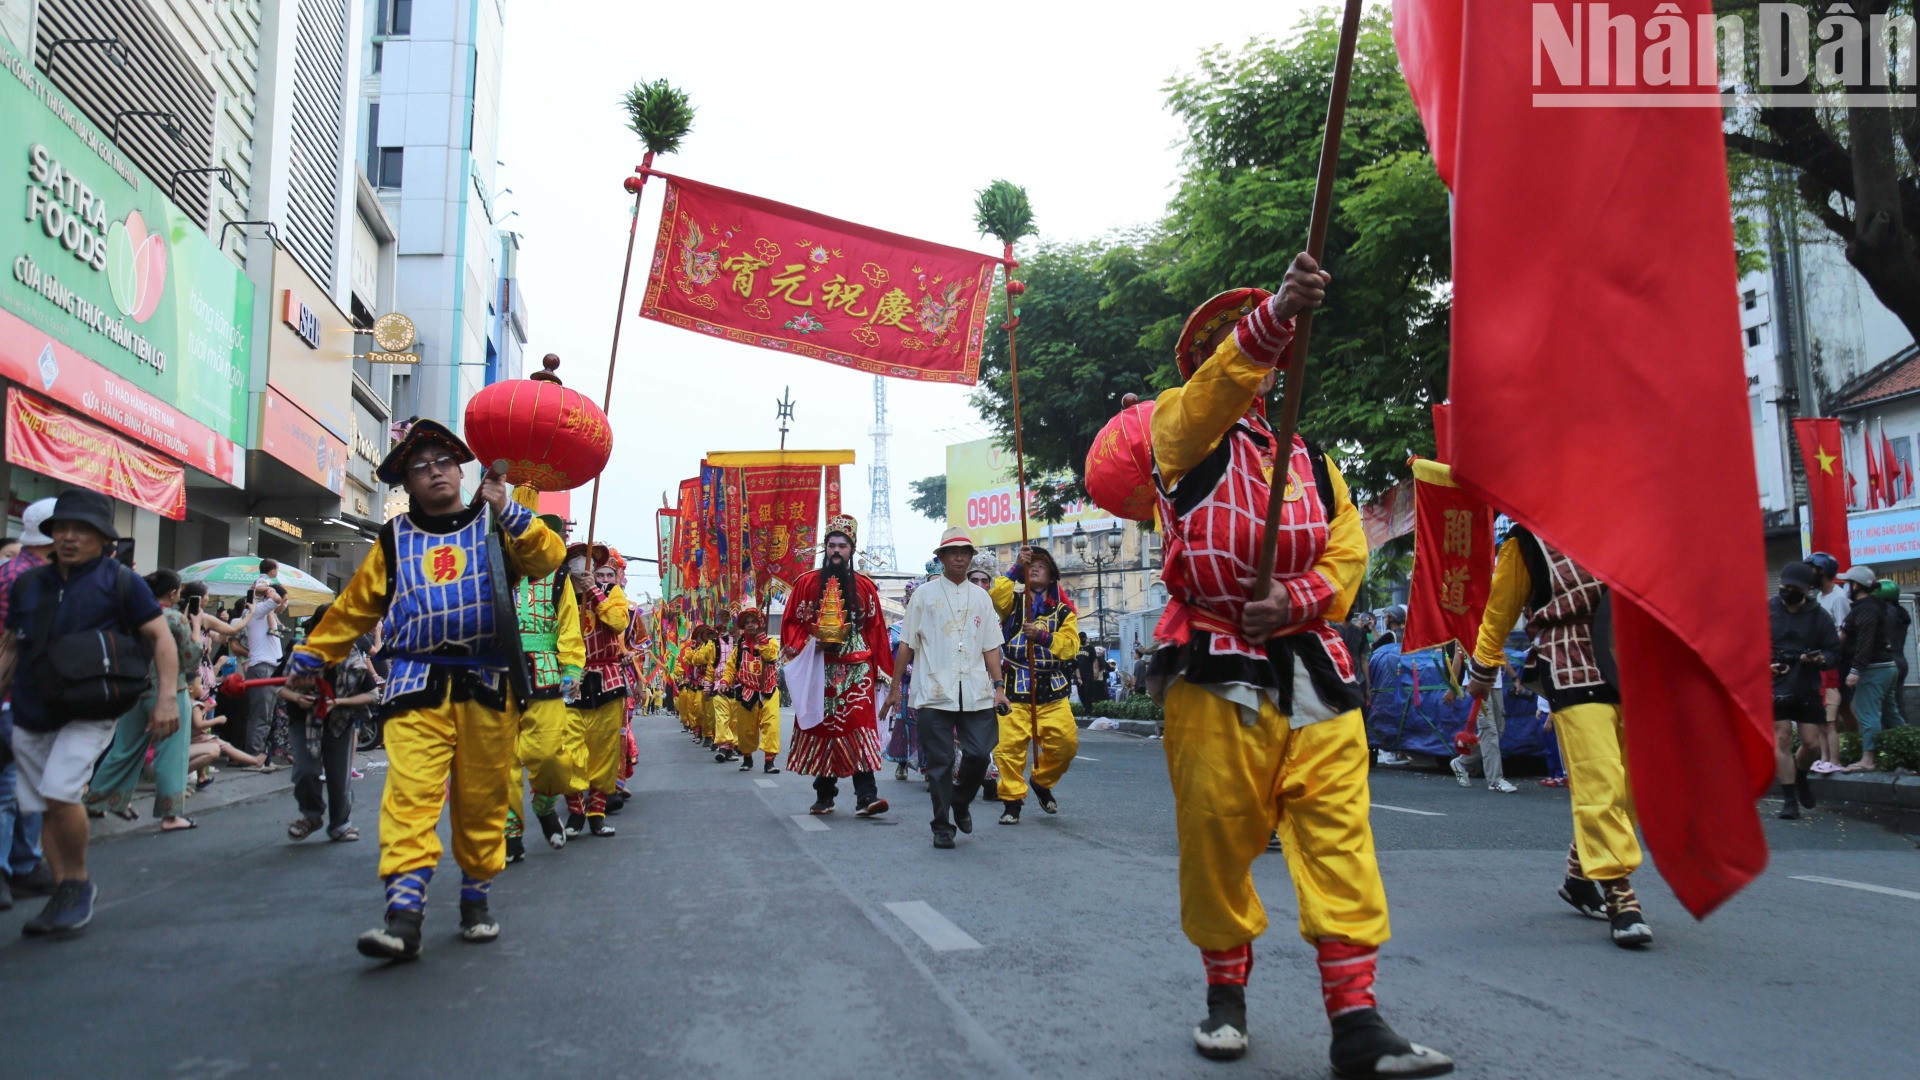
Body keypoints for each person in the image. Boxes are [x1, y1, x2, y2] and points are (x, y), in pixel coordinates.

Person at [1145, 262, 1450, 1077]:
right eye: (1231, 349)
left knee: (1340, 837)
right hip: (1213, 667)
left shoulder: (1310, 461)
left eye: (1265, 345)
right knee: (1218, 836)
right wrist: (1274, 312)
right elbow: (1206, 402)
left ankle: (1357, 1021)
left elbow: (1347, 549)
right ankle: (1225, 999)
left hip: (1314, 666)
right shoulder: (1178, 433)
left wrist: (1301, 597)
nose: (1254, 363)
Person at [287, 419, 565, 961]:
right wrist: (313, 653)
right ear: (406, 484)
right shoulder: (394, 538)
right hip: (415, 684)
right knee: (409, 795)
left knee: (483, 800)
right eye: (420, 466)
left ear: (461, 471)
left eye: (443, 461)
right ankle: (404, 914)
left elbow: (548, 558)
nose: (434, 471)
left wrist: (507, 508)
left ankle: (475, 898)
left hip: (488, 684)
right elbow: (356, 606)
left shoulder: (497, 522)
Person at [0, 489, 178, 937]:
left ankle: (76, 880)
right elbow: (9, 647)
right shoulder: (28, 584)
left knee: (60, 791)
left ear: (103, 539)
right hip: (31, 706)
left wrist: (167, 698)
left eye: (81, 530)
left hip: (93, 707)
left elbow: (161, 639)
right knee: (38, 803)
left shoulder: (121, 582)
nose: (69, 537)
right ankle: (63, 888)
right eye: (62, 528)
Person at [1469, 526, 1649, 949]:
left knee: (1635, 785)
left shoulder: (1621, 519)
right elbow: (1499, 610)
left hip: (1631, 656)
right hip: (1570, 659)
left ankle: (1579, 874)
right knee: (1599, 777)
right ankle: (1619, 892)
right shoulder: (1525, 542)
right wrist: (1482, 667)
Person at [884, 528, 1008, 849]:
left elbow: (991, 647)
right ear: (941, 557)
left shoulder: (982, 597)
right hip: (933, 690)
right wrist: (896, 687)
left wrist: (999, 687)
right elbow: (907, 645)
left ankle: (961, 801)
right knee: (939, 763)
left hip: (977, 690)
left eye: (964, 552)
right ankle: (941, 825)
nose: (959, 557)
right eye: (952, 552)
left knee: (980, 754)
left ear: (970, 557)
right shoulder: (924, 596)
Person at [780, 515, 895, 818]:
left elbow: (876, 631)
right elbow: (790, 623)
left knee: (859, 728)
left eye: (842, 545)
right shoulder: (805, 584)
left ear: (852, 550)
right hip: (819, 668)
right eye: (831, 545)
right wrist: (809, 643)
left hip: (857, 672)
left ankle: (866, 796)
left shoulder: (865, 588)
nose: (836, 551)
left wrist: (884, 672)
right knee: (823, 727)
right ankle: (825, 794)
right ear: (825, 548)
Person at [85, 569, 201, 830]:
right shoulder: (172, 618)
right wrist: (195, 627)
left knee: (123, 750)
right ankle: (171, 815)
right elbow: (190, 657)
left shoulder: (129, 616)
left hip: (135, 690)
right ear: (172, 593)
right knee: (172, 753)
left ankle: (96, 801)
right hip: (171, 692)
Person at [507, 515, 586, 857]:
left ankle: (544, 805)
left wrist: (571, 667)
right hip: (498, 672)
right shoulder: (495, 565)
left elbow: (569, 624)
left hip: (546, 674)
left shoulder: (560, 577)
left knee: (551, 756)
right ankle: (510, 834)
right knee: (503, 764)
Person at [984, 546, 1079, 824]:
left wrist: (1043, 637)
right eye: (1031, 565)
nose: (1035, 568)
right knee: (1009, 749)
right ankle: (1012, 802)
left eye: (1042, 566)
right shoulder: (1013, 602)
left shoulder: (1064, 612)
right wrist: (1015, 567)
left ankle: (1042, 780)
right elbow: (993, 599)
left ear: (1052, 577)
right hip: (1015, 687)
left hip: (1052, 690)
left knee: (1066, 745)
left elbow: (1071, 647)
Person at [0, 497, 55, 912]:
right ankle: (17, 866)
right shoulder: (34, 580)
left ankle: (22, 864)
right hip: (18, 697)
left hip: (20, 695)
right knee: (16, 787)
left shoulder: (15, 571)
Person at [284, 606, 380, 842]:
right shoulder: (301, 650)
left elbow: (373, 694)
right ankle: (312, 816)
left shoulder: (352, 653)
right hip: (304, 720)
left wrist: (337, 702)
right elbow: (279, 685)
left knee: (339, 778)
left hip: (339, 722)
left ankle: (341, 824)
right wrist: (297, 697)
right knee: (305, 772)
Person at [563, 544, 630, 838]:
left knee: (604, 751)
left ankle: (597, 812)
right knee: (568, 751)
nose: (581, 564)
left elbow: (618, 623)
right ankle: (575, 812)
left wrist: (595, 592)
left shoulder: (611, 594)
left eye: (585, 559)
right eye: (575, 558)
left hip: (607, 678)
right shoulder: (559, 594)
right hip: (570, 680)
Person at [1769, 562, 1839, 819]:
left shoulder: (1819, 616)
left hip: (1806, 684)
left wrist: (1821, 660)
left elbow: (1833, 651)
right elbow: (1747, 643)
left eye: (1794, 589)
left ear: (1808, 589)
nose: (1787, 592)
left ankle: (1800, 776)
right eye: (1784, 587)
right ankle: (1789, 800)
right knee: (1782, 737)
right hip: (1774, 684)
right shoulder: (1767, 610)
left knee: (1811, 744)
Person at [1837, 564, 1898, 772]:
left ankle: (1868, 759)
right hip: (1887, 668)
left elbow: (1865, 642)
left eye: (1848, 583)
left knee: (1866, 713)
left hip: (1874, 669)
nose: (1846, 587)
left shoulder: (1866, 610)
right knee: (1891, 714)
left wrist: (1855, 670)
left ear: (1856, 585)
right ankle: (1906, 751)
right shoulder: (1870, 608)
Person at [1446, 646, 1516, 793]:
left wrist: (1515, 678)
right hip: (1477, 685)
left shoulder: (1492, 627)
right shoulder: (1467, 627)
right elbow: (1458, 657)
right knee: (1489, 731)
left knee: (1498, 730)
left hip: (1495, 684)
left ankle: (1461, 762)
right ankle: (1495, 780)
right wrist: (1453, 688)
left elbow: (1500, 652)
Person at [723, 599, 782, 773]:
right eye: (747, 623)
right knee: (746, 731)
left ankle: (769, 761)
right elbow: (730, 668)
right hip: (747, 692)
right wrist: (725, 682)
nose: (750, 625)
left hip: (769, 691)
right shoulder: (739, 648)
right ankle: (747, 758)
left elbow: (771, 655)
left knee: (771, 727)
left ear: (760, 623)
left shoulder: (771, 642)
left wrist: (761, 639)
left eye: (754, 621)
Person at [1806, 551, 1849, 773]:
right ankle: (1824, 758)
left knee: (1829, 718)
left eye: (1811, 569)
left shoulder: (1839, 597)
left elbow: (1844, 630)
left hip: (1830, 665)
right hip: (1819, 662)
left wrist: (1827, 652)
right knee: (1821, 718)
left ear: (1821, 570)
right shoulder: (1821, 598)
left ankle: (1834, 760)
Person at [241, 575, 288, 763]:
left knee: (265, 716)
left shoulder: (262, 613)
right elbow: (276, 600)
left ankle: (259, 756)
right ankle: (253, 757)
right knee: (260, 717)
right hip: (262, 668)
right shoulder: (256, 611)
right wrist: (266, 588)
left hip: (267, 667)